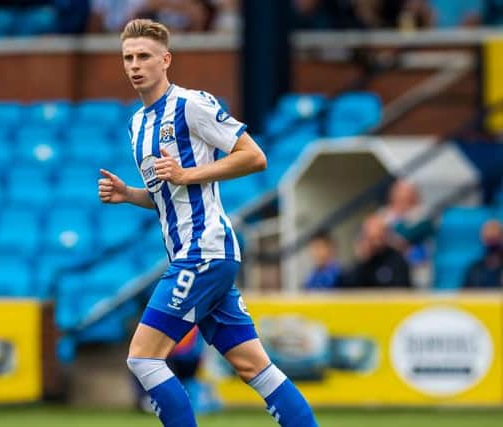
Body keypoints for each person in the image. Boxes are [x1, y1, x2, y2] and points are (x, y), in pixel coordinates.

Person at [98, 18, 318, 427]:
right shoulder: (137, 125)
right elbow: (169, 198)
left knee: (143, 357)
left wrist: (188, 174)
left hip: (205, 250)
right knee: (254, 366)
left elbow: (254, 156)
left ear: (166, 60)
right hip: (195, 254)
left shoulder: (191, 104)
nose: (134, 65)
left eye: (144, 56)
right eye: (127, 57)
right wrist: (129, 195)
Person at [338, 214, 412, 288]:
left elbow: (401, 289)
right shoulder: (363, 260)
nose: (375, 242)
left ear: (386, 235)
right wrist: (361, 261)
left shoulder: (396, 259)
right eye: (371, 238)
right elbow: (346, 286)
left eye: (379, 236)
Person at [463, 219, 503, 288]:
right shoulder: (474, 270)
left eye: (495, 238)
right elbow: (464, 296)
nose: (492, 244)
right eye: (489, 239)